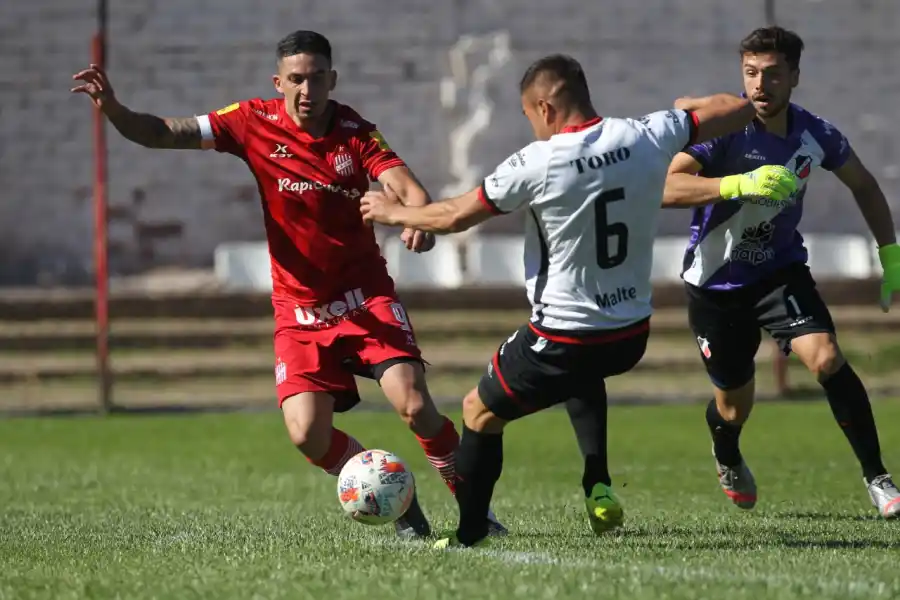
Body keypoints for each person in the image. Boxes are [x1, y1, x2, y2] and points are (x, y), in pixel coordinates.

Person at [71, 29, 508, 539]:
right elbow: (164, 131)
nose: (307, 89)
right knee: (307, 434)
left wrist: (415, 217)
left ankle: (477, 511)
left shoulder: (355, 132)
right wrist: (116, 110)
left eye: (317, 78)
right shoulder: (250, 122)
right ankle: (397, 498)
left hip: (365, 297)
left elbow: (404, 184)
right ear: (278, 82)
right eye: (296, 79)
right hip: (300, 312)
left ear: (332, 79)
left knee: (414, 404)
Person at [360, 53, 796, 548]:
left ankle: (469, 534)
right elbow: (735, 108)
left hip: (561, 334)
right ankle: (597, 482)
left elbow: (456, 215)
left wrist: (392, 213)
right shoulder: (646, 134)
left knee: (478, 413)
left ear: (545, 107)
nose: (533, 129)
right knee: (582, 372)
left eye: (530, 117)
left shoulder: (537, 162)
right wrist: (688, 107)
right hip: (630, 334)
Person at [663, 26, 900, 518]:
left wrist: (890, 255)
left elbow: (865, 185)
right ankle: (726, 452)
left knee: (827, 358)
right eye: (750, 73)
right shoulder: (724, 130)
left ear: (794, 76)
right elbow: (667, 185)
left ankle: (878, 477)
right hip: (715, 285)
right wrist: (738, 184)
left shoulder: (817, 135)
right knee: (733, 405)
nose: (759, 86)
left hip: (779, 273)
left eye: (772, 74)